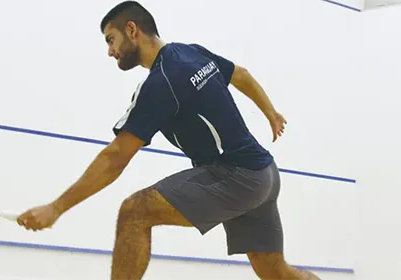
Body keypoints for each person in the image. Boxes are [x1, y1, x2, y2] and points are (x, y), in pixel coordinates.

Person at [16, 1, 320, 279]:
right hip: (264, 172)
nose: (110, 51)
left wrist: (56, 208)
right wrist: (271, 112)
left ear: (131, 30)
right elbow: (240, 74)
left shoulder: (161, 84)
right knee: (276, 272)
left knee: (134, 212)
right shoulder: (190, 51)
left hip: (236, 177)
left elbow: (115, 157)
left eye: (111, 40)